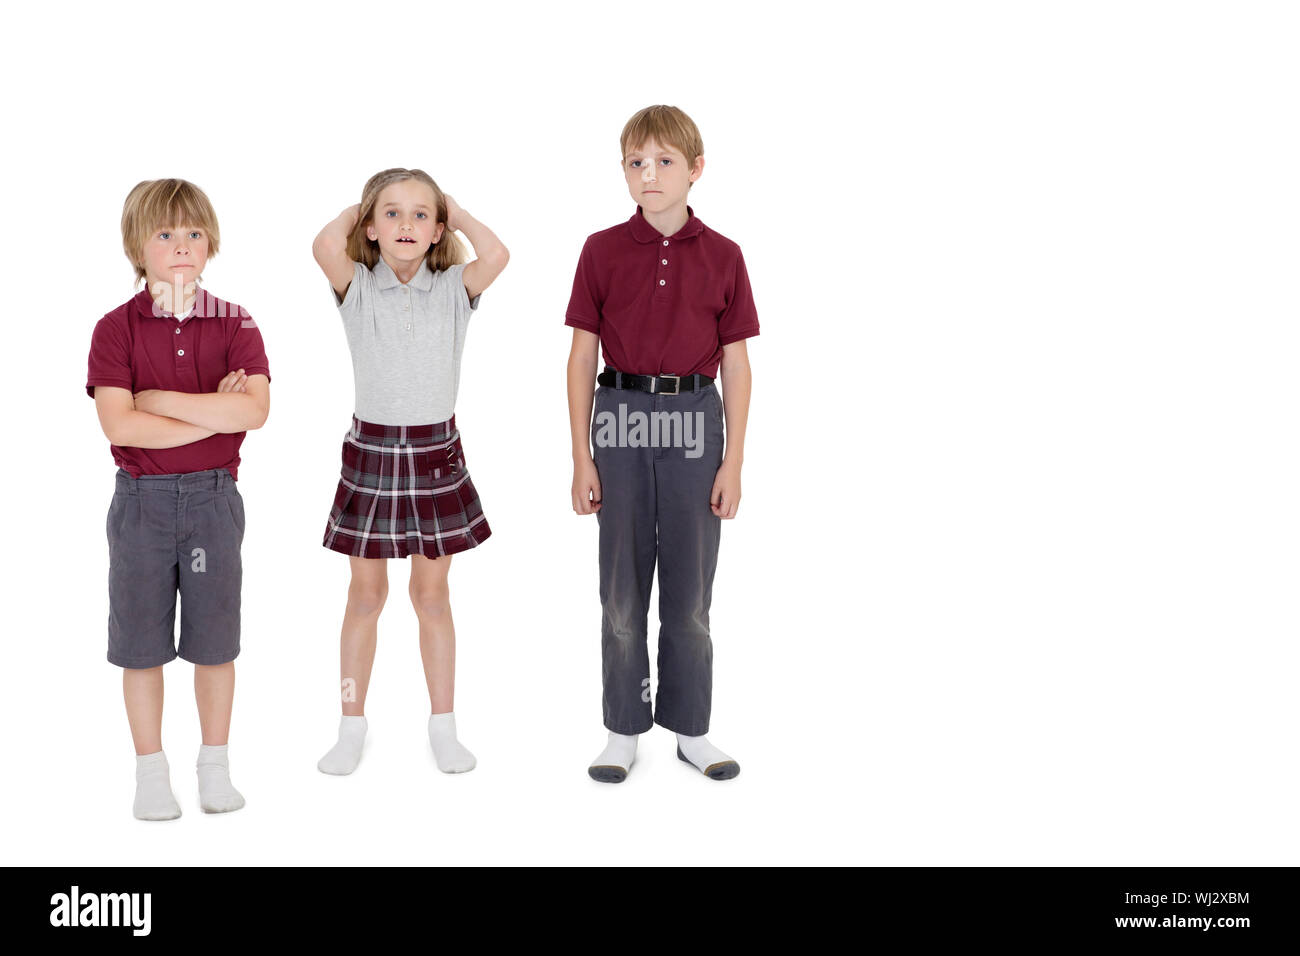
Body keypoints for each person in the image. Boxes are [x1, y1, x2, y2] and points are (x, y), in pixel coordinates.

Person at [566, 105, 759, 782]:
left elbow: (736, 363)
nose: (648, 175)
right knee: (621, 587)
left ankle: (691, 729)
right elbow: (580, 356)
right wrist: (581, 455)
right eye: (635, 163)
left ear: (695, 169)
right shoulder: (600, 250)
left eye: (664, 162)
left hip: (693, 424)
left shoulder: (725, 256)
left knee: (690, 591)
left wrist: (732, 459)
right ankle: (623, 727)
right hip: (618, 417)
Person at [86, 178, 271, 819]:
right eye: (165, 233)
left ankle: (214, 768)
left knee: (214, 641)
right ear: (138, 245)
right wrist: (216, 414)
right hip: (142, 504)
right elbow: (120, 426)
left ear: (211, 240)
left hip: (214, 502)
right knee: (141, 643)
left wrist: (162, 402)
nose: (181, 245)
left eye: (193, 231)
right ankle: (150, 773)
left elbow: (256, 412)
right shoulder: (115, 330)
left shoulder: (237, 322)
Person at [313, 168, 508, 776]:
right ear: (371, 228)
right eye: (391, 215)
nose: (405, 225)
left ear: (438, 229)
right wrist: (366, 204)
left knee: (431, 596)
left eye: (420, 215)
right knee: (365, 596)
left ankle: (443, 726)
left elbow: (498, 253)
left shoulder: (453, 288)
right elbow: (323, 245)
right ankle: (351, 724)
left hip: (435, 455)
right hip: (371, 452)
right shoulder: (358, 287)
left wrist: (450, 203)